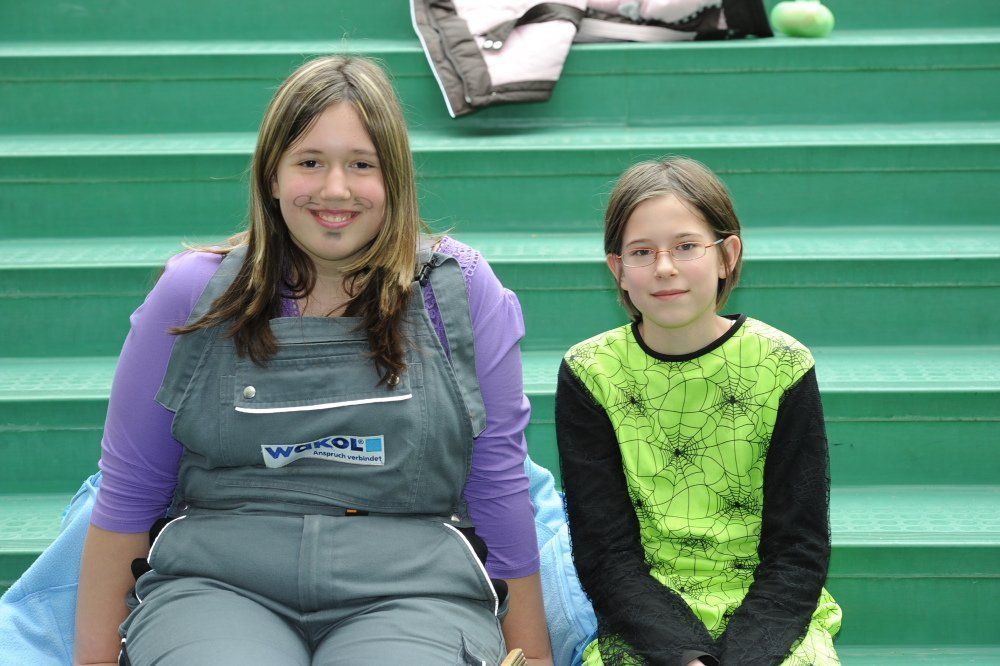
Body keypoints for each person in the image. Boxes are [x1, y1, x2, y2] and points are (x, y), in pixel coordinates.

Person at [74, 55, 552, 665]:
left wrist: (534, 653)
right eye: (309, 162)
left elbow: (497, 480)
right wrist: (95, 658)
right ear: (271, 177)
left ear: (396, 179)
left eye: (362, 165)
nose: (335, 190)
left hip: (416, 591)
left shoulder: (457, 291)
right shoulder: (193, 293)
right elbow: (131, 487)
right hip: (215, 585)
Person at [554, 157, 842, 665]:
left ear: (727, 255)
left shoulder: (783, 364)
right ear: (617, 270)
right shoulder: (590, 371)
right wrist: (686, 657)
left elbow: (798, 550)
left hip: (770, 616)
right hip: (644, 619)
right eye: (642, 252)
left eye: (686, 246)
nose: (664, 267)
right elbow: (607, 555)